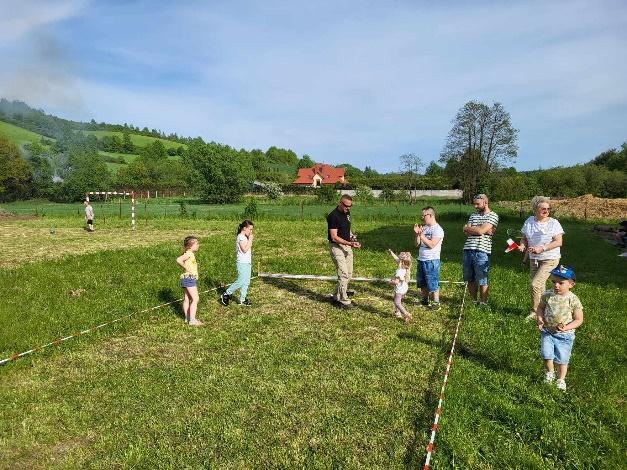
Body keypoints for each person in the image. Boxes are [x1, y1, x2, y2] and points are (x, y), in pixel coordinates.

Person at [536, 265, 583, 391]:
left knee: (562, 359)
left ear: (571, 284)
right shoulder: (547, 295)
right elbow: (540, 308)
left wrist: (567, 327)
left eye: (561, 283)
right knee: (547, 355)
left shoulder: (573, 299)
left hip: (565, 336)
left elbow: (579, 319)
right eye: (553, 282)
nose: (556, 285)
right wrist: (540, 319)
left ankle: (561, 379)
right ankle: (550, 373)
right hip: (547, 331)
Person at [518, 196, 564, 321]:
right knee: (540, 286)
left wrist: (542, 248)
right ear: (535, 209)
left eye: (548, 208)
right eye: (543, 208)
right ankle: (544, 310)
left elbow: (559, 242)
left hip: (550, 258)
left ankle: (535, 312)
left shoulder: (553, 223)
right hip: (534, 259)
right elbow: (524, 238)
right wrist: (522, 245)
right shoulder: (529, 221)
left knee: (535, 284)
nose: (546, 211)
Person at [462, 194, 498, 307]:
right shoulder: (473, 215)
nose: (475, 206)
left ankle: (483, 303)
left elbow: (479, 231)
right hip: (468, 249)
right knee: (469, 277)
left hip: (482, 250)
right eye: (474, 204)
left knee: (482, 278)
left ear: (485, 203)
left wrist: (472, 228)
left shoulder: (493, 215)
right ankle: (473, 301)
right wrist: (479, 229)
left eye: (478, 204)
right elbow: (466, 232)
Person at [327, 194, 361, 309]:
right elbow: (334, 237)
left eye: (350, 206)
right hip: (336, 247)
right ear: (340, 203)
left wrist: (352, 238)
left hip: (347, 246)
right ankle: (344, 301)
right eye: (346, 206)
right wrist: (350, 243)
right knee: (343, 273)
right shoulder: (333, 216)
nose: (348, 208)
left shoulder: (347, 213)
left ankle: (337, 295)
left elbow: (347, 228)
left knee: (349, 273)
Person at [414, 206, 444, 311]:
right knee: (422, 282)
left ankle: (436, 303)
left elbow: (431, 245)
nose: (422, 217)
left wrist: (421, 235)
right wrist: (417, 235)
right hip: (421, 259)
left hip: (431, 260)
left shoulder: (438, 230)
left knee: (432, 281)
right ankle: (424, 300)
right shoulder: (425, 228)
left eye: (423, 215)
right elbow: (417, 245)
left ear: (430, 215)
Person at [221, 220, 254, 306]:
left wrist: (249, 239)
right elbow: (244, 249)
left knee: (246, 282)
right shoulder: (241, 237)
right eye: (250, 229)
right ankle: (227, 293)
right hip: (242, 263)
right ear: (244, 228)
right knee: (240, 281)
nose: (251, 232)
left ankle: (242, 299)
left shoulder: (245, 237)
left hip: (247, 262)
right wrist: (250, 240)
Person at [176, 236, 203, 326]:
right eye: (197, 244)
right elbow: (179, 260)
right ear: (191, 245)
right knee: (196, 299)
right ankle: (192, 320)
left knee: (187, 299)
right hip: (189, 278)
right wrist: (187, 268)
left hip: (185, 278)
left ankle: (187, 318)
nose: (198, 245)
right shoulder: (189, 254)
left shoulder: (189, 254)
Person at [388, 249, 412, 322]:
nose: (397, 261)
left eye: (399, 260)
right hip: (404, 287)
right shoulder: (405, 267)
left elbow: (396, 282)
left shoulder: (400, 271)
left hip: (400, 289)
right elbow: (396, 259)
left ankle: (406, 314)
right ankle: (397, 313)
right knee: (397, 298)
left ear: (401, 262)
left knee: (397, 302)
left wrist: (390, 282)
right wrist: (391, 253)